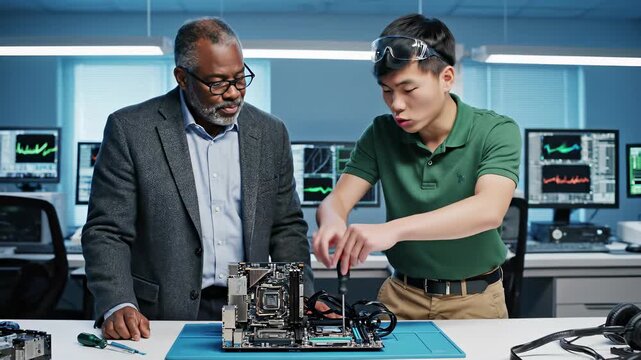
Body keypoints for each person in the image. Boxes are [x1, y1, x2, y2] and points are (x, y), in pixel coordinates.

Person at [82, 17, 314, 340]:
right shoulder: (130, 130)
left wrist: (302, 297)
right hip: (158, 318)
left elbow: (287, 226)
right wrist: (118, 301)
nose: (234, 94)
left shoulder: (271, 133)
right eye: (218, 83)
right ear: (182, 78)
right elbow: (106, 231)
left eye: (240, 78)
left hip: (254, 311)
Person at [313, 14, 521, 320]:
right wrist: (332, 220)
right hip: (400, 298)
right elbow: (339, 199)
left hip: (475, 301)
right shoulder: (381, 132)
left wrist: (392, 231)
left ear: (446, 78)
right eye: (387, 90)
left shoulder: (496, 130)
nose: (396, 104)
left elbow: (488, 210)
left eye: (408, 90)